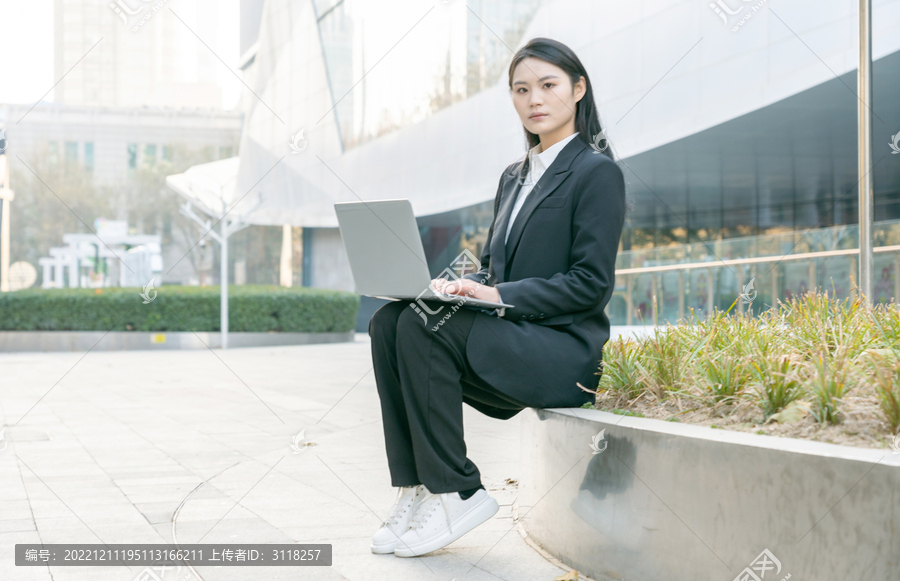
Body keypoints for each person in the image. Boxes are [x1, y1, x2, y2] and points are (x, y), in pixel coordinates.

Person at [367, 36, 627, 558]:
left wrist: (496, 293)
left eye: (548, 85)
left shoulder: (597, 173)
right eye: (521, 89)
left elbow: (589, 283)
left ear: (578, 90)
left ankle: (458, 490)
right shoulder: (513, 177)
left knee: (422, 326)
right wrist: (450, 286)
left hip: (564, 350)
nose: (534, 99)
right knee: (392, 320)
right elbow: (492, 266)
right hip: (514, 336)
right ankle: (416, 488)